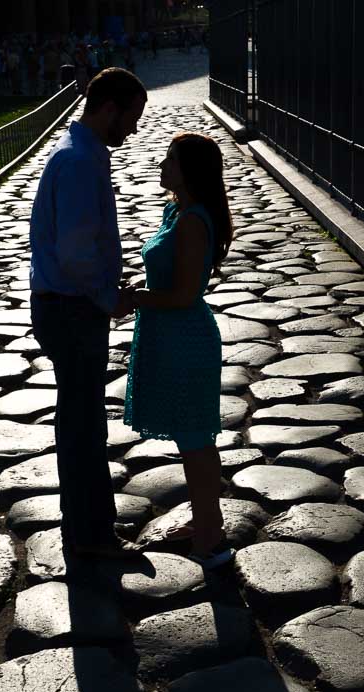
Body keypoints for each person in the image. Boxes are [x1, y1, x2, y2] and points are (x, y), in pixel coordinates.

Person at [30, 67, 148, 559]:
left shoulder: (78, 155)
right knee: (83, 428)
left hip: (65, 304)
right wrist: (108, 297)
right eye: (131, 118)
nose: (134, 129)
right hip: (73, 309)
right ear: (108, 109)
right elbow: (76, 254)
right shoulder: (80, 163)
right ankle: (91, 536)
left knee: (78, 422)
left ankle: (83, 527)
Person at [124, 134, 234, 570]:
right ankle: (205, 518)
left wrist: (134, 299)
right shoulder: (176, 211)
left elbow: (185, 294)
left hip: (184, 338)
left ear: (190, 168)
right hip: (167, 336)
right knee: (191, 438)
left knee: (195, 439)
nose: (163, 163)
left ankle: (211, 534)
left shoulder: (192, 221)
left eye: (171, 158)